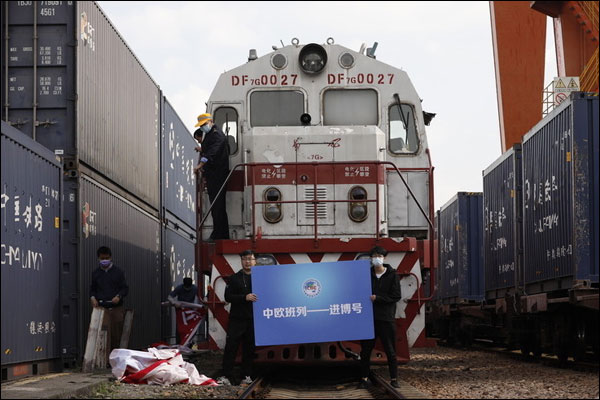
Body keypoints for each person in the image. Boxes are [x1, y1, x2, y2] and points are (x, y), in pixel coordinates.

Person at [359, 246, 402, 389]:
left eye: (379, 255)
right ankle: (364, 378)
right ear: (370, 258)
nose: (376, 258)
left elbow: (396, 296)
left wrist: (378, 298)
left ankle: (394, 379)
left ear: (384, 258)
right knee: (365, 351)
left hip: (386, 318)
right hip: (368, 319)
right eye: (374, 255)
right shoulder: (366, 274)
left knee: (390, 350)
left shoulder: (392, 275)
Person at [217, 250, 258, 386]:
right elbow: (228, 297)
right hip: (237, 319)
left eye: (250, 259)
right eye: (245, 259)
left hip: (253, 319)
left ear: (255, 261)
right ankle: (226, 375)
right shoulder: (234, 278)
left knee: (249, 348)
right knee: (231, 347)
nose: (248, 262)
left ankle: (246, 375)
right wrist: (244, 298)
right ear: (241, 261)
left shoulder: (261, 277)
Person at [193, 113, 230, 240]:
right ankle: (218, 232)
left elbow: (213, 152)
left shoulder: (217, 135)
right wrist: (201, 149)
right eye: (201, 126)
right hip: (213, 174)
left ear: (211, 122)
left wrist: (200, 165)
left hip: (218, 174)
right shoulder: (210, 134)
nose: (203, 127)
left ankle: (221, 234)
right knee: (215, 206)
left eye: (204, 125)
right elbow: (209, 148)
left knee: (218, 205)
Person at [90, 246, 129, 357]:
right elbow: (92, 289)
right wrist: (92, 298)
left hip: (116, 307)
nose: (104, 261)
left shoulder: (118, 272)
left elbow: (125, 288)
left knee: (116, 334)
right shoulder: (96, 273)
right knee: (104, 333)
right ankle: (105, 358)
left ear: (110, 257)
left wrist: (118, 296)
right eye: (102, 258)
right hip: (102, 308)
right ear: (98, 258)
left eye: (106, 258)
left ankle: (116, 357)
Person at [168, 277, 205, 346]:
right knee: (180, 326)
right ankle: (179, 343)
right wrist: (174, 302)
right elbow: (170, 297)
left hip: (190, 311)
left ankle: (189, 341)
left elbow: (201, 298)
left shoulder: (195, 289)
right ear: (183, 285)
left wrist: (201, 306)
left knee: (191, 326)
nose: (187, 289)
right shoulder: (179, 288)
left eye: (189, 288)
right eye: (186, 288)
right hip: (181, 310)